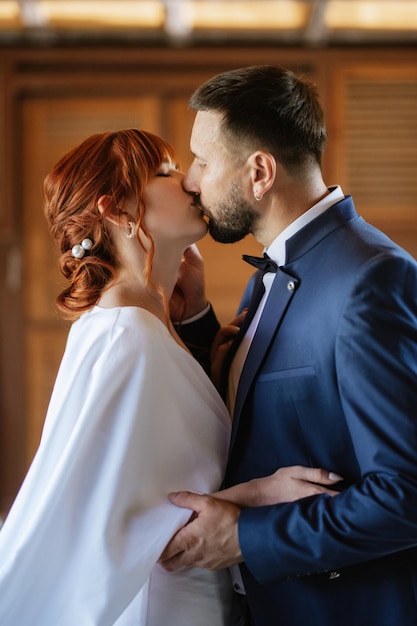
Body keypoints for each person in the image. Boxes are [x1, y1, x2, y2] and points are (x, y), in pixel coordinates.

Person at [0, 128, 338, 625]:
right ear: (117, 210)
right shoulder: (124, 336)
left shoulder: (151, 323)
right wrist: (260, 495)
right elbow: (107, 530)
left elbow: (164, 476)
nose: (191, 181)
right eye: (165, 173)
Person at [159, 65, 417, 625]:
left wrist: (249, 537)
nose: (191, 181)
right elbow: (265, 424)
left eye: (204, 160)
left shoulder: (372, 280)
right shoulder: (267, 275)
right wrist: (201, 321)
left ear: (259, 172)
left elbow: (407, 496)